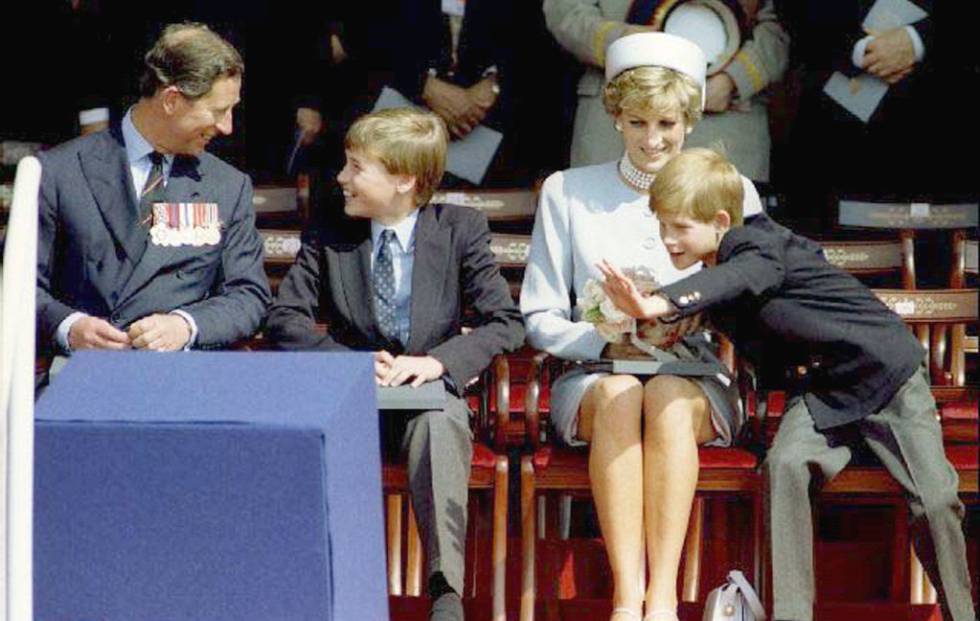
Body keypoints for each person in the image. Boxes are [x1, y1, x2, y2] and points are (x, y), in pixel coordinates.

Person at [597, 148, 976, 621]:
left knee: (936, 499)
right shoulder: (717, 277)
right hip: (820, 393)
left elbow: (745, 276)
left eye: (680, 227)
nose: (668, 239)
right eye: (663, 226)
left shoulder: (757, 245)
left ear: (720, 220)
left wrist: (661, 302)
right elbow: (720, 298)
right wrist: (643, 322)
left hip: (883, 377)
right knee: (785, 466)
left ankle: (961, 614)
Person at [520, 32, 764, 621]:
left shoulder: (735, 191)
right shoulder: (567, 191)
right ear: (615, 119)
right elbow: (538, 316)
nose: (652, 140)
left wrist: (695, 315)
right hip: (594, 373)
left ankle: (663, 599)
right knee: (623, 392)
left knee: (669, 398)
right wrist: (604, 334)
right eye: (636, 123)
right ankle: (628, 597)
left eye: (667, 123)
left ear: (690, 120)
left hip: (695, 377)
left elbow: (758, 298)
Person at [266, 108, 524, 621]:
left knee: (438, 425)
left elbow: (506, 322)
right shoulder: (329, 229)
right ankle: (318, 594)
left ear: (405, 179)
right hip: (350, 400)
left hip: (425, 397)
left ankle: (445, 592)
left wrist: (438, 363)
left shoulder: (458, 230)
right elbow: (285, 318)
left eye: (357, 167)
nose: (342, 178)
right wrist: (351, 365)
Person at [36, 23, 271, 355]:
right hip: (82, 375)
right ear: (172, 100)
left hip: (184, 383)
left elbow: (248, 295)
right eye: (218, 111)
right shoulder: (60, 172)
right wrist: (69, 326)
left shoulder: (227, 186)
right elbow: (19, 287)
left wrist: (185, 325)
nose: (227, 127)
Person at [543, 0, 789, 181]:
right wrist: (626, 43)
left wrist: (734, 81)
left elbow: (780, 26)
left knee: (716, 240)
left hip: (721, 119)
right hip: (617, 119)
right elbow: (566, 11)